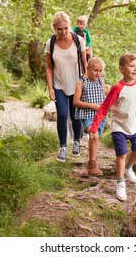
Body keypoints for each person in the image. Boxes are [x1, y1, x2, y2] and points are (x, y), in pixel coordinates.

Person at [88, 53, 136, 201]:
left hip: (133, 125)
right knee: (121, 154)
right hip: (118, 126)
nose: (135, 69)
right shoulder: (117, 88)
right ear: (121, 69)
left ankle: (128, 168)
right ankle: (120, 182)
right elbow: (104, 108)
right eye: (131, 66)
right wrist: (94, 128)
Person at [45, 11, 87, 162]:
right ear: (54, 28)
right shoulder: (50, 43)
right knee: (62, 115)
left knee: (76, 116)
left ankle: (76, 142)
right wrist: (50, 87)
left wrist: (87, 84)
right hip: (59, 84)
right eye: (59, 29)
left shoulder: (78, 40)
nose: (63, 32)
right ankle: (63, 147)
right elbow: (49, 67)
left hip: (76, 84)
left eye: (65, 28)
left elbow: (85, 65)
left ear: (70, 26)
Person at [73, 57, 107, 177]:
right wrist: (92, 106)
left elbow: (103, 98)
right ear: (87, 68)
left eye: (100, 70)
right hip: (87, 115)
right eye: (95, 70)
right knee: (94, 135)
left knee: (95, 138)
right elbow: (75, 102)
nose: (98, 73)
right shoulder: (81, 82)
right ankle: (93, 166)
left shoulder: (101, 81)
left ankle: (89, 168)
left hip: (100, 116)